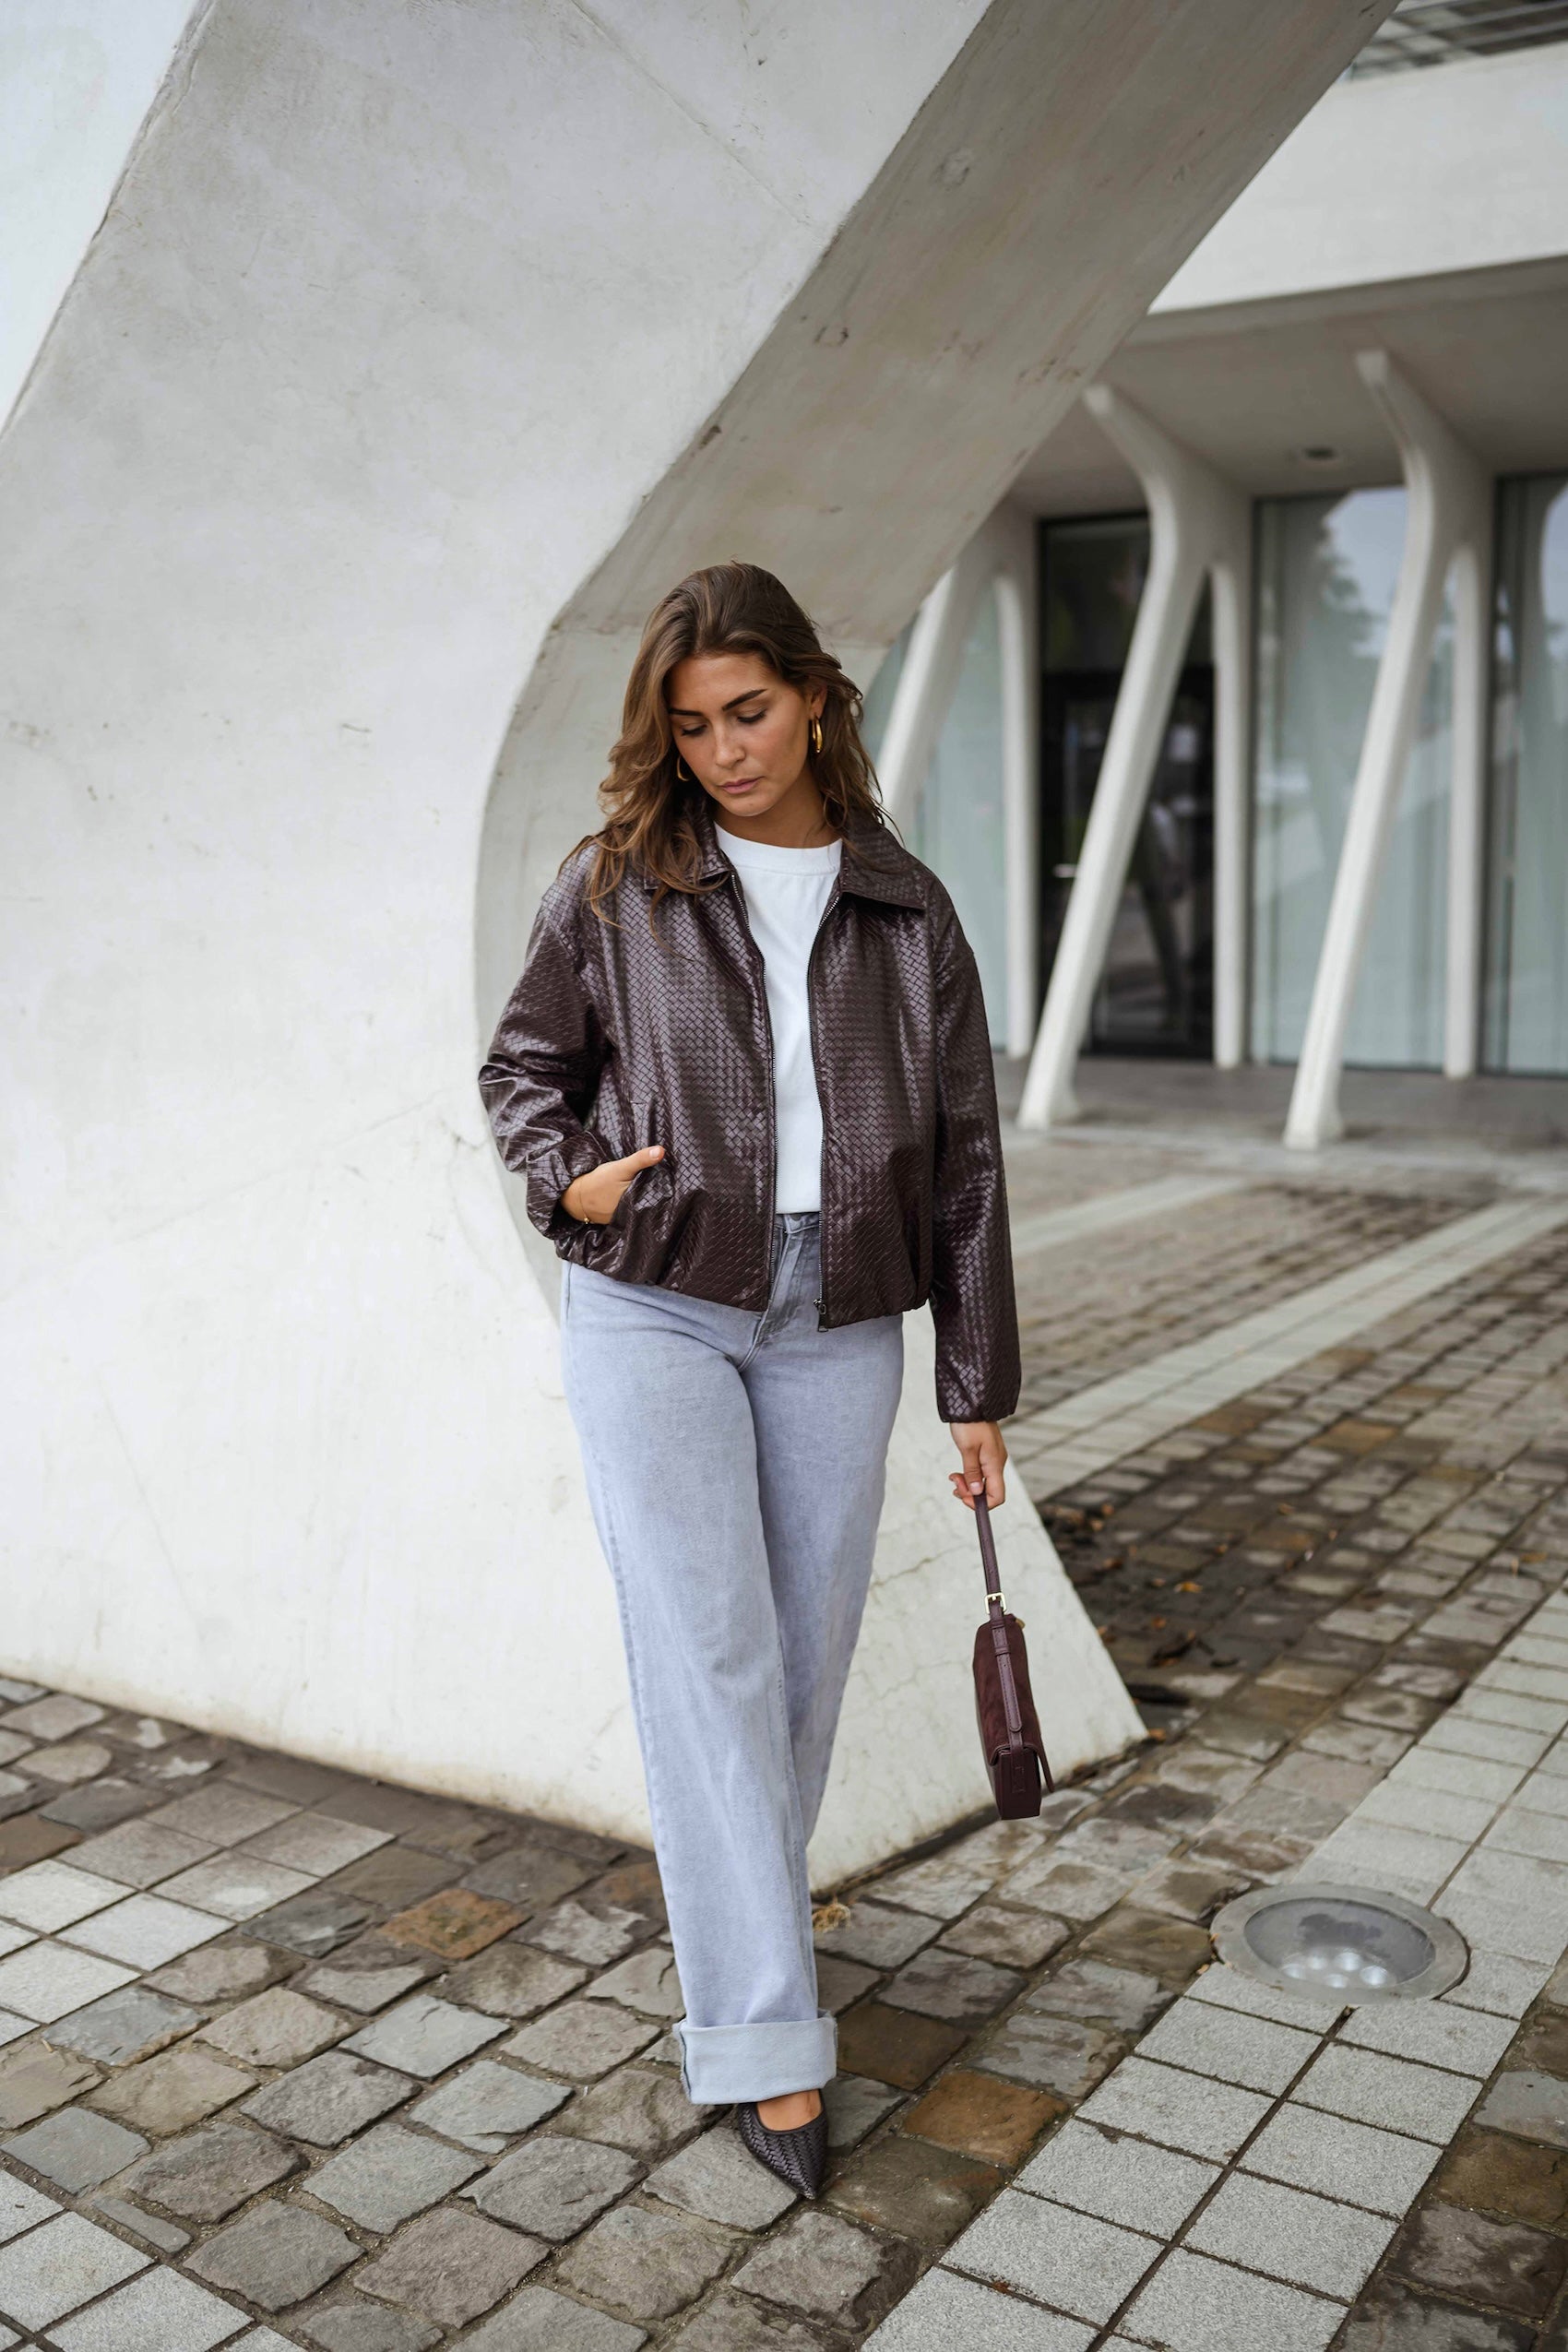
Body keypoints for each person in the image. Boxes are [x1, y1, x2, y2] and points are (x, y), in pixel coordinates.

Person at [479, 562, 1019, 2197]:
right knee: (709, 1652)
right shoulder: (615, 883)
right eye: (694, 723)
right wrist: (565, 1174)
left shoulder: (906, 907)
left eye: (752, 711)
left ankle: (742, 1964)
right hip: (654, 1300)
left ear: (815, 697)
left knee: (801, 1669)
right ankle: (769, 2047)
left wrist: (975, 1381)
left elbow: (971, 1162)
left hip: (840, 1314)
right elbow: (522, 1068)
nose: (725, 749)